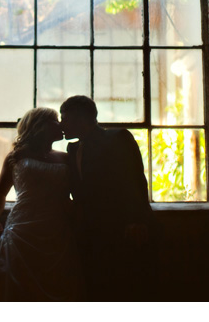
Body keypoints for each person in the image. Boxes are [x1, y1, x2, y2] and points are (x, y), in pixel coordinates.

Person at [0, 107, 82, 301]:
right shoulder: (17, 156)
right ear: (40, 126)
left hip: (56, 228)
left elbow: (76, 193)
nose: (61, 125)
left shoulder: (66, 158)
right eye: (55, 120)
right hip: (23, 227)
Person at [59, 95, 157, 301]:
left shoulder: (118, 138)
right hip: (86, 232)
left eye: (64, 118)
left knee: (121, 287)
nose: (61, 124)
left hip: (119, 228)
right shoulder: (73, 148)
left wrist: (136, 219)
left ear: (81, 119)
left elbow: (135, 180)